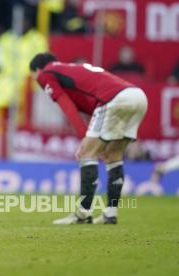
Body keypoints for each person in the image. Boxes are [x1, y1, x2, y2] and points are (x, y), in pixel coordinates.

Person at [29, 52, 148, 225]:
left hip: (113, 99)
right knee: (112, 156)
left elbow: (66, 105)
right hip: (137, 96)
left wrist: (84, 137)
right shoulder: (69, 70)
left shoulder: (46, 73)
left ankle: (83, 214)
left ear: (37, 70)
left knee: (87, 154)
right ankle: (110, 213)